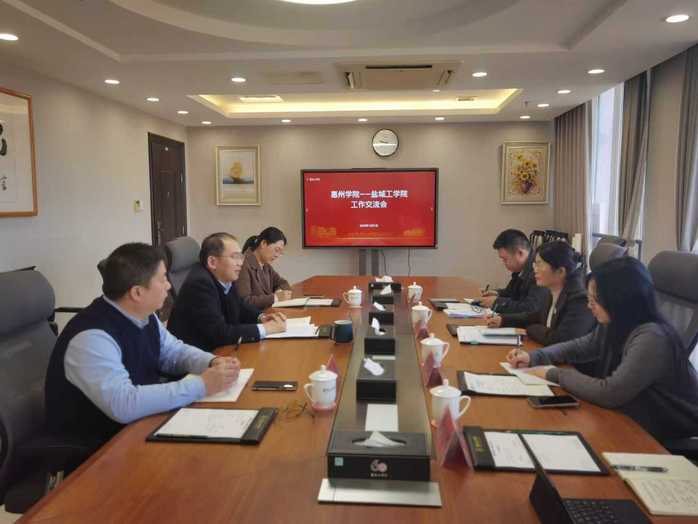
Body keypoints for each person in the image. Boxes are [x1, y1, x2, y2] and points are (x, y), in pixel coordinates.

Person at [45, 243, 241, 444]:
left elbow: (173, 352)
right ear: (137, 293)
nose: (169, 286)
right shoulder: (91, 338)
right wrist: (201, 385)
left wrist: (211, 362)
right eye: (163, 279)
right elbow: (123, 404)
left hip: (141, 424)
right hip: (98, 447)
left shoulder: (144, 314)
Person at [507, 257, 698, 441]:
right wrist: (534, 357)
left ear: (619, 300)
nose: (589, 306)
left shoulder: (652, 337)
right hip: (632, 414)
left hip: (663, 428)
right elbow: (581, 347)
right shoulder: (618, 322)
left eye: (595, 300)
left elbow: (610, 393)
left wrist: (554, 374)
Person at [168, 232, 286, 352]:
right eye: (234, 257)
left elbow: (239, 305)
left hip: (220, 350)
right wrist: (265, 329)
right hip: (198, 356)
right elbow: (220, 333)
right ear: (212, 262)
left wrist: (261, 317)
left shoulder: (224, 276)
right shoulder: (200, 284)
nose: (240, 263)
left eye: (240, 257)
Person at [486, 241, 595, 345]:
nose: (535, 269)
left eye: (539, 264)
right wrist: (504, 320)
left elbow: (560, 340)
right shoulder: (553, 291)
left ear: (560, 271)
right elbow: (535, 316)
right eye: (534, 264)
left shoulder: (580, 301)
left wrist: (530, 329)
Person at [479, 229, 549, 314]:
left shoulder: (538, 272)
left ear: (520, 253)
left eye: (505, 259)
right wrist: (498, 293)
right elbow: (512, 293)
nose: (504, 263)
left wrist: (497, 303)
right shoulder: (521, 269)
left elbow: (531, 308)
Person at [237, 227, 292, 309]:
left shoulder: (266, 265)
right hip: (253, 315)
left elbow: (283, 283)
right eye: (277, 250)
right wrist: (275, 297)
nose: (277, 255)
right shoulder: (243, 264)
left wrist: (279, 291)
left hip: (267, 312)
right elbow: (245, 301)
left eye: (280, 253)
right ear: (263, 243)